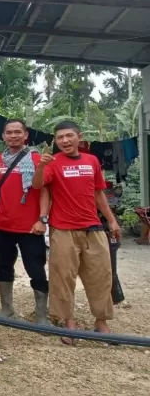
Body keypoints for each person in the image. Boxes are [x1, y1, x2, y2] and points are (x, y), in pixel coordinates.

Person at [31, 121, 119, 343]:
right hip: (63, 230)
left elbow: (99, 194)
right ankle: (68, 323)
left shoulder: (92, 161)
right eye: (60, 138)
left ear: (80, 137)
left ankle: (101, 322)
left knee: (101, 276)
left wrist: (112, 221)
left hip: (93, 228)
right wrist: (41, 166)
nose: (65, 141)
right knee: (63, 277)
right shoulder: (53, 162)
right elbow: (38, 185)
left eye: (69, 136)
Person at [0, 119, 49, 324]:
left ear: (25, 135)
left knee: (36, 269)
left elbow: (45, 191)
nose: (13, 136)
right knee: (3, 267)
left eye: (17, 132)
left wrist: (42, 220)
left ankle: (41, 314)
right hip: (3, 225)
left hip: (31, 227)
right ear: (3, 136)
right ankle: (6, 309)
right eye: (9, 133)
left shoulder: (37, 158)